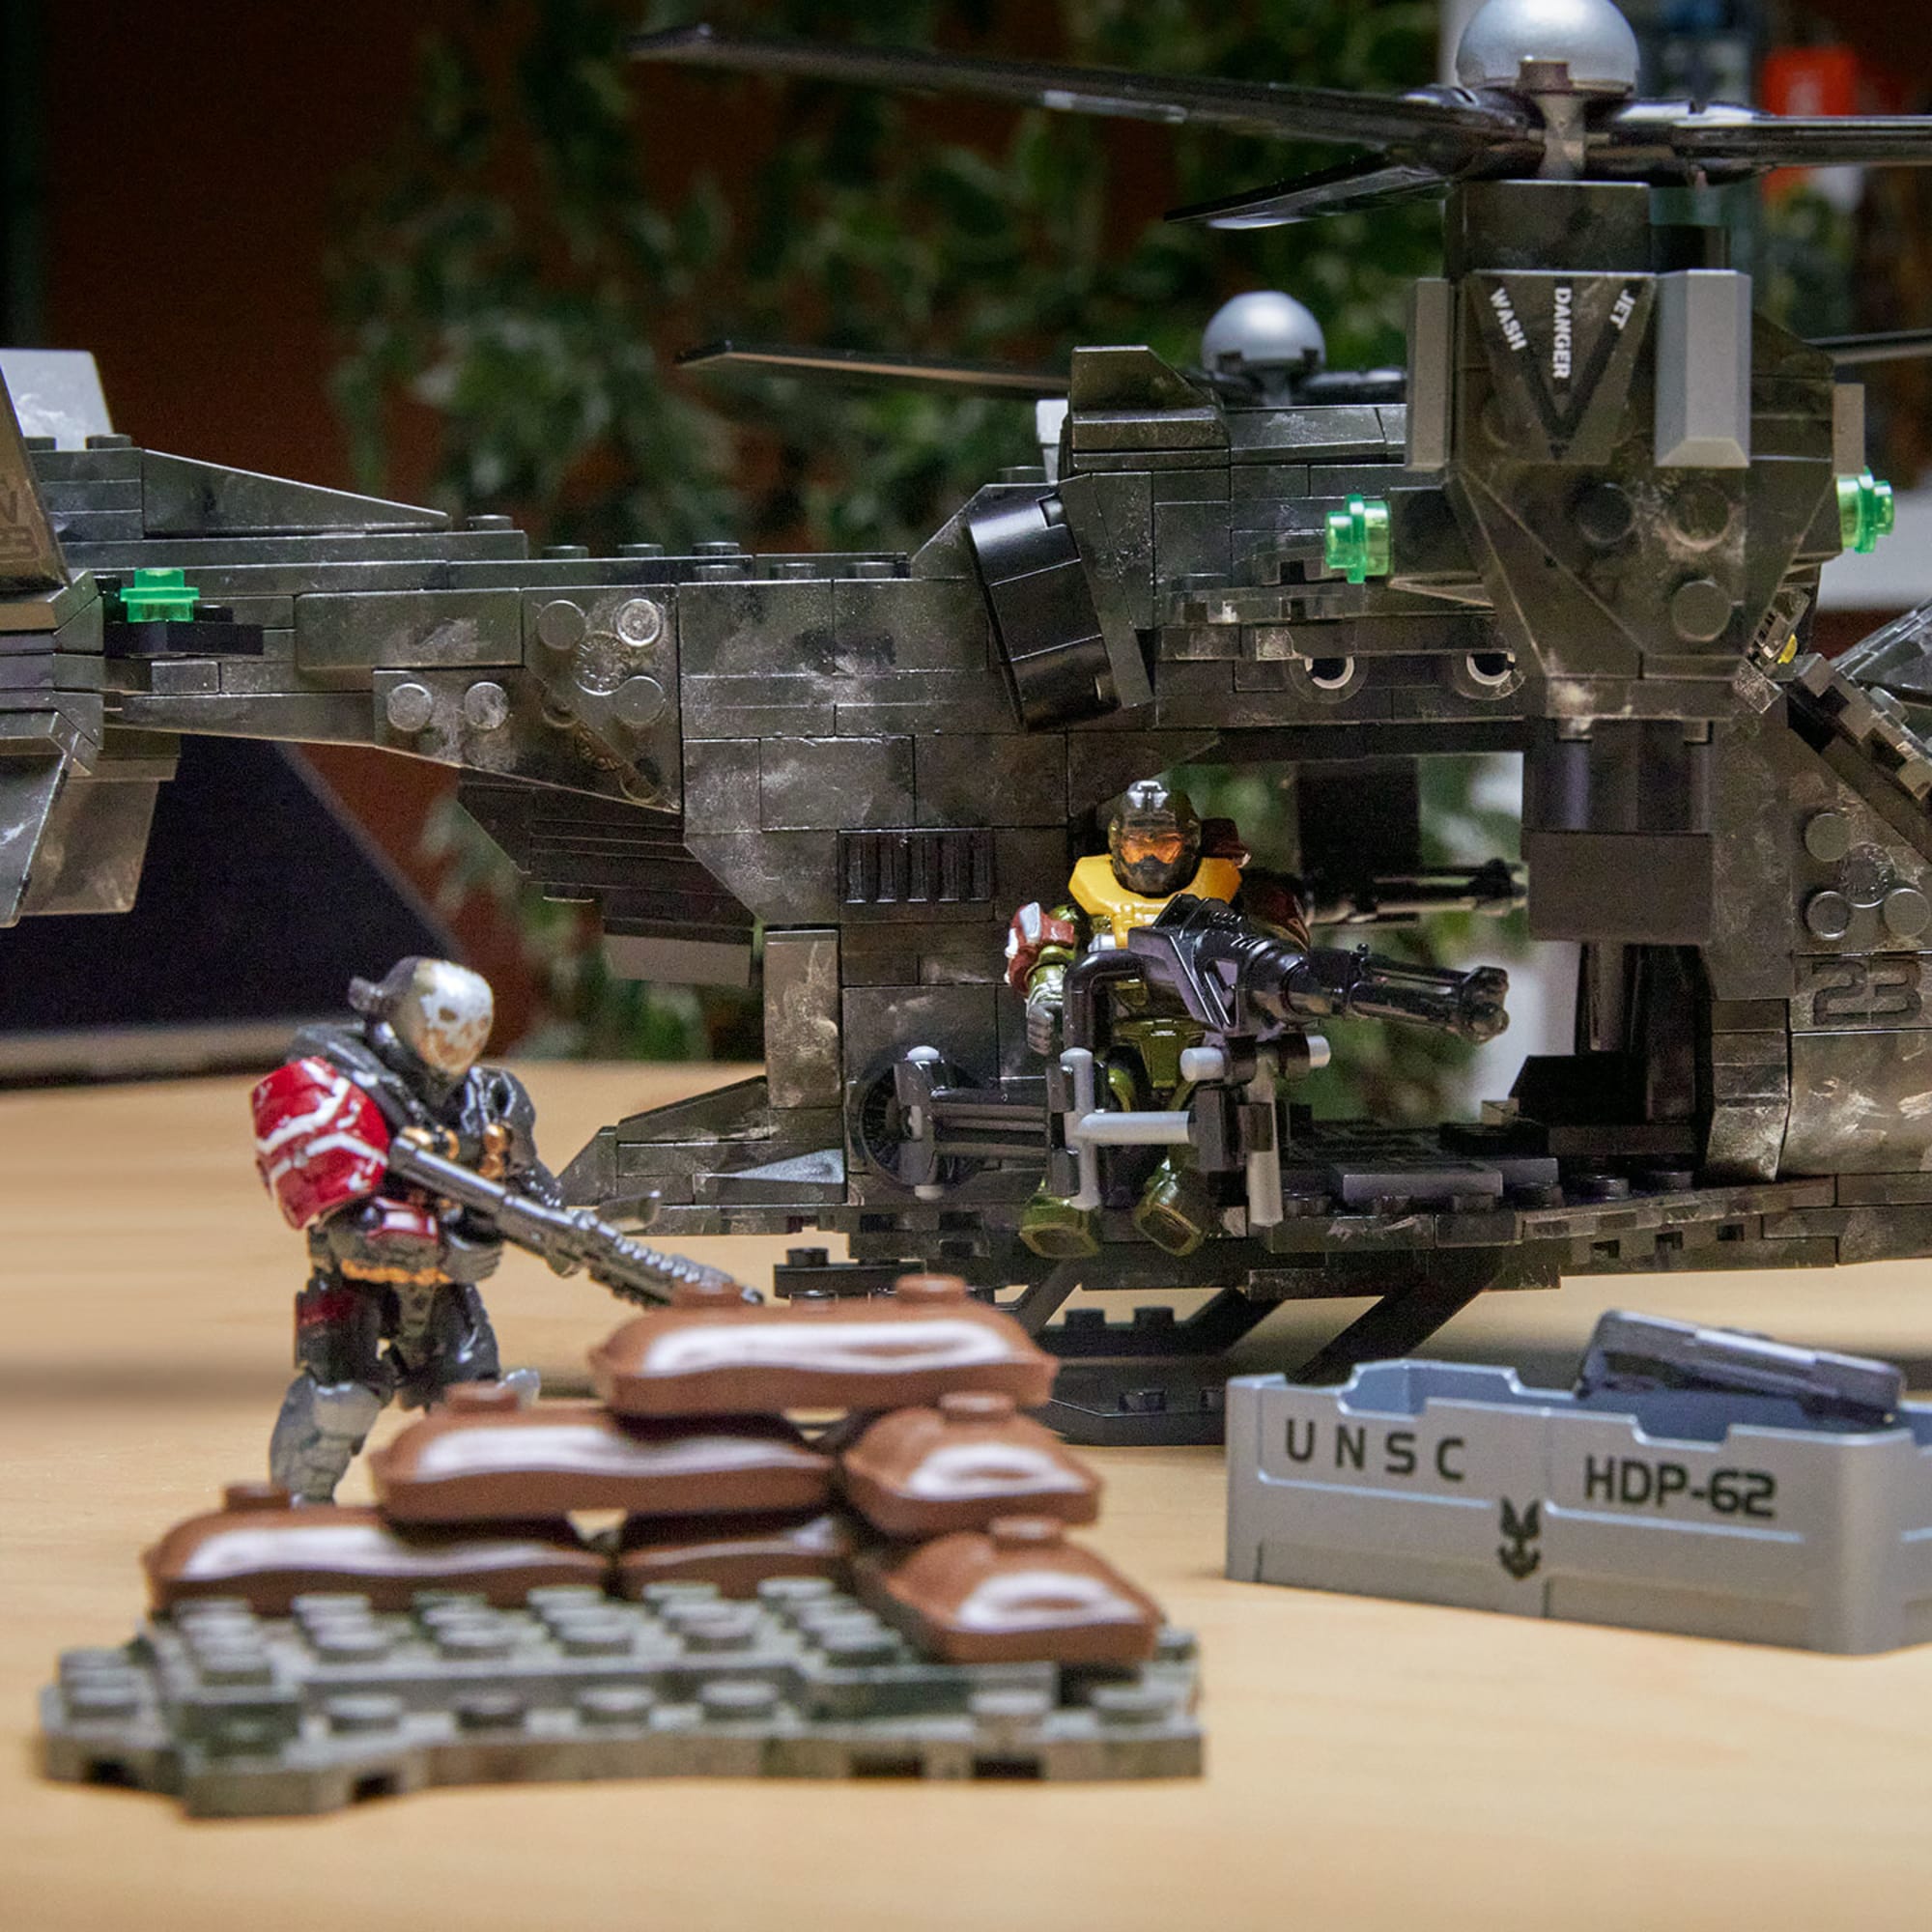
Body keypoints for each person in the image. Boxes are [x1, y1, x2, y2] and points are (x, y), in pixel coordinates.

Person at [250, 956, 553, 1502]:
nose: (461, 1042)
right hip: (358, 1282)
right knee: (340, 1403)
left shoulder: (486, 1100)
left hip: (445, 1290)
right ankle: (299, 1509)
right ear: (408, 1017)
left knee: (474, 1400)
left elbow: (526, 1181)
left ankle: (469, 1505)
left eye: (475, 1028)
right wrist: (440, 1249)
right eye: (446, 1023)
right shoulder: (346, 1084)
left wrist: (559, 1224)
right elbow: (342, 1227)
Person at [1004, 779, 1309, 1258]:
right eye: (1137, 845)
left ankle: (1185, 1192)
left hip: (1205, 1043)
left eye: (1163, 846)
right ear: (1116, 846)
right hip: (1121, 1044)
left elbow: (1279, 955)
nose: (1149, 859)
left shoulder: (1227, 904)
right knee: (1088, 1094)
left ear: (1189, 846)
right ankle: (1064, 1196)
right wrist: (1046, 995)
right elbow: (1052, 952)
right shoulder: (1087, 905)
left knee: (1212, 1109)